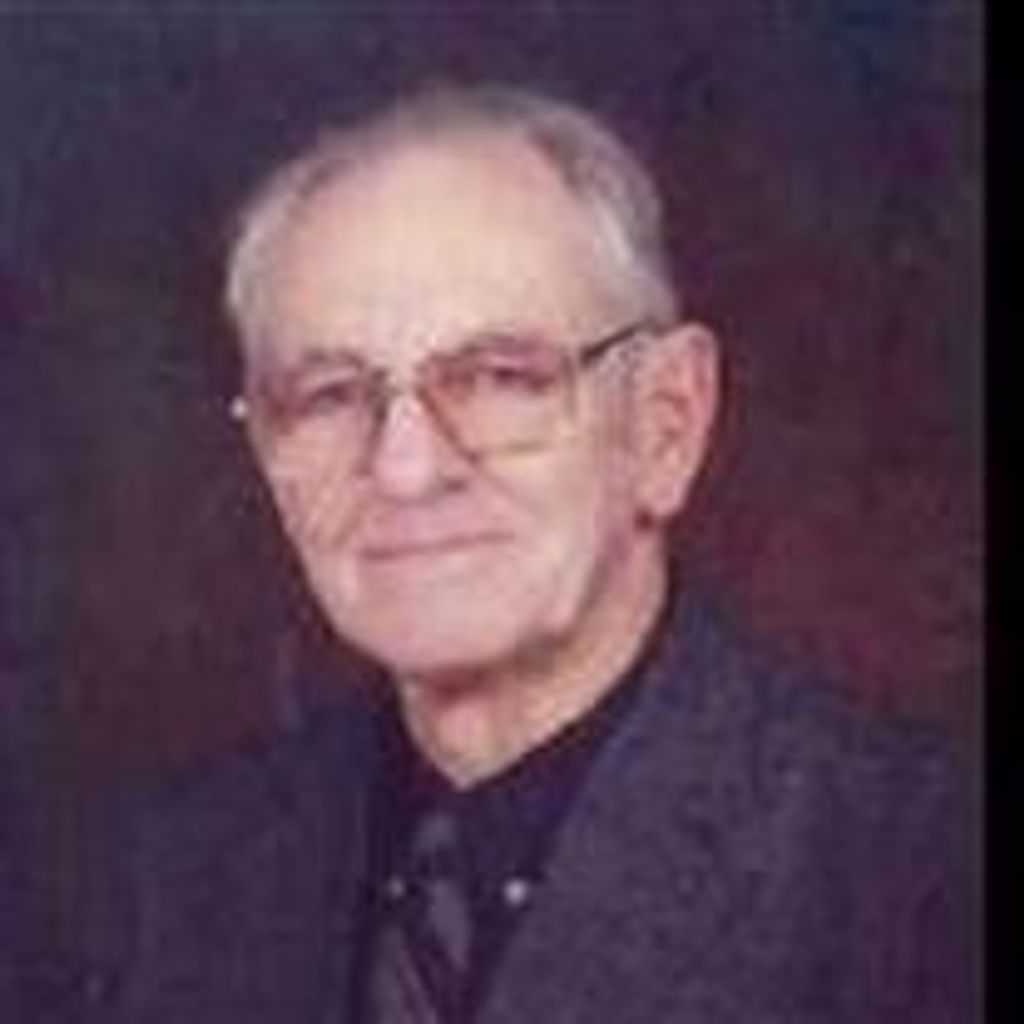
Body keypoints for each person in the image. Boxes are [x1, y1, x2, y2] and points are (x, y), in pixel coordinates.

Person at [77, 84, 975, 1023]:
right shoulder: (177, 873)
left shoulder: (921, 880)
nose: (406, 469)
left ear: (666, 423)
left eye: (500, 378)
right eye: (330, 395)